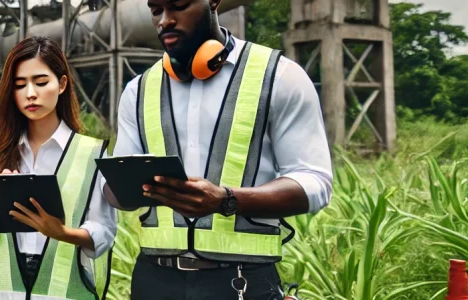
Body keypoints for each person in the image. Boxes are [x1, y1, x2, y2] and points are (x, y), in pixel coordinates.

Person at [113, 0, 333, 299]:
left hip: (244, 281)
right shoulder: (137, 91)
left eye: (177, 5)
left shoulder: (281, 77)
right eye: (155, 11)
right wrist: (117, 189)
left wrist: (227, 200)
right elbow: (115, 193)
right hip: (153, 281)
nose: (165, 20)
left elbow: (315, 182)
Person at [0, 36, 117, 300]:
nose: (30, 93)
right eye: (19, 85)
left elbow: (104, 232)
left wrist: (62, 233)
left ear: (61, 84)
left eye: (40, 82)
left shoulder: (92, 153)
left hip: (67, 291)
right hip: (3, 292)